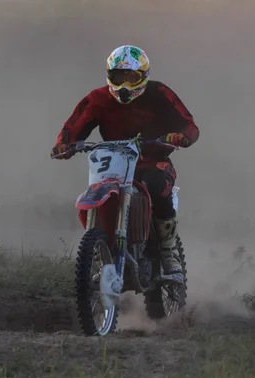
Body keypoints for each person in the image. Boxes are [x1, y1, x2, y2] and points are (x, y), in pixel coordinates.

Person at [50, 44, 199, 284]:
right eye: (119, 76)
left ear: (144, 76)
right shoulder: (98, 98)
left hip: (154, 161)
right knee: (94, 196)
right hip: (114, 164)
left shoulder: (159, 94)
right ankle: (100, 252)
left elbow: (188, 124)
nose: (125, 84)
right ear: (110, 75)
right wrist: (64, 144)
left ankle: (169, 252)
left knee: (157, 185)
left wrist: (181, 136)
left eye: (132, 77)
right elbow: (75, 125)